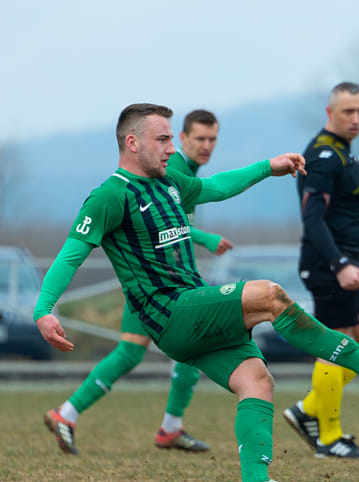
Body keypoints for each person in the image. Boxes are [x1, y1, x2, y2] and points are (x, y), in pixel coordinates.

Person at [34, 103, 359, 482]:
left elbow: (218, 186)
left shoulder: (169, 183)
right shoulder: (110, 194)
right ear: (132, 143)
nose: (172, 148)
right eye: (163, 139)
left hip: (189, 315)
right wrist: (44, 309)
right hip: (170, 311)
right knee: (269, 295)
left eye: (171, 138)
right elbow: (71, 254)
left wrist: (268, 167)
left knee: (257, 381)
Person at [43, 109, 233, 455]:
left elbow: (197, 205)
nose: (206, 146)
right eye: (198, 139)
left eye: (213, 139)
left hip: (169, 284)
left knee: (135, 353)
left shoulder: (174, 173)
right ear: (185, 139)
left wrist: (268, 168)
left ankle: (69, 414)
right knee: (168, 350)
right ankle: (165, 426)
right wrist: (204, 238)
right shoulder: (164, 172)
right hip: (155, 289)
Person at [282, 82, 359, 459]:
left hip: (350, 265)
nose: (356, 118)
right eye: (348, 111)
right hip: (329, 265)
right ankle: (329, 437)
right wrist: (339, 264)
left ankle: (308, 408)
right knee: (336, 347)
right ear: (330, 113)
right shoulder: (324, 155)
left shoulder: (344, 152)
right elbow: (312, 219)